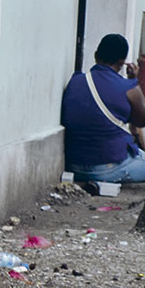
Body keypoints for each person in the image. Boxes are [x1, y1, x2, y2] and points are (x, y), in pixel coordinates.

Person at [61, 33, 145, 182]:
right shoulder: (129, 87)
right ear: (122, 62)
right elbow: (140, 121)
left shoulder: (76, 81)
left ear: (95, 55)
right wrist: (134, 80)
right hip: (111, 167)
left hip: (75, 166)